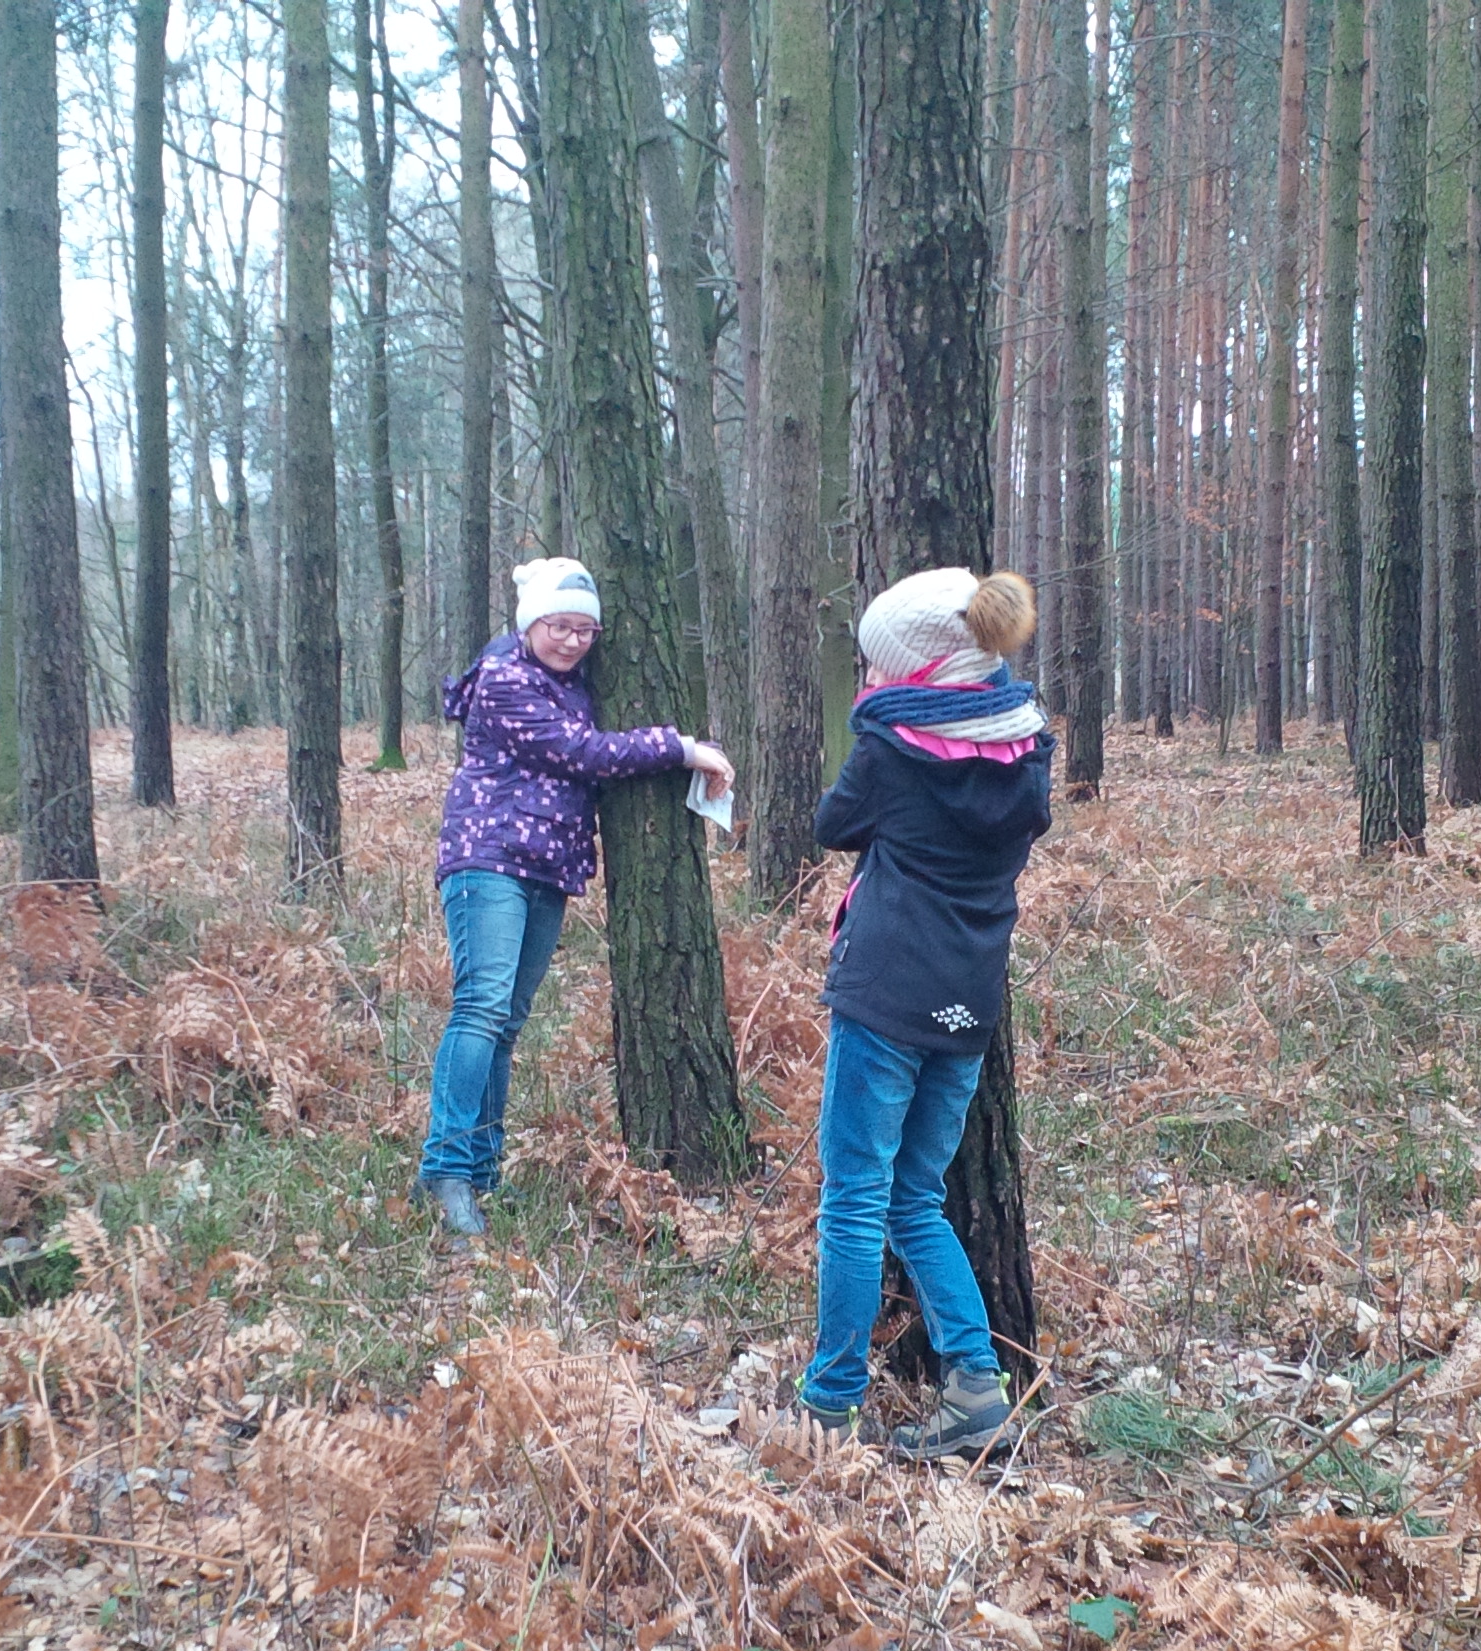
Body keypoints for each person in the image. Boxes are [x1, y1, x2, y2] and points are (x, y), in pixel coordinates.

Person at [800, 567, 1051, 1461]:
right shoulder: (1028, 749)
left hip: (884, 996)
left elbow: (833, 824)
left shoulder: (889, 749)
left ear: (917, 668)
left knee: (855, 1198)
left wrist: (874, 717)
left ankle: (829, 1405)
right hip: (967, 1005)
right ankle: (977, 1385)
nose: (869, 678)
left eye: (878, 665)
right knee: (915, 1198)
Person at [417, 558, 735, 1237]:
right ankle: (445, 1172)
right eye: (559, 626)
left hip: (547, 868)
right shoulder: (503, 678)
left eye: (586, 630)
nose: (572, 641)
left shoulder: (576, 682)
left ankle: (482, 1170)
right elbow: (581, 752)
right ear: (531, 623)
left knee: (505, 1021)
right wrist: (681, 749)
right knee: (481, 1008)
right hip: (488, 860)